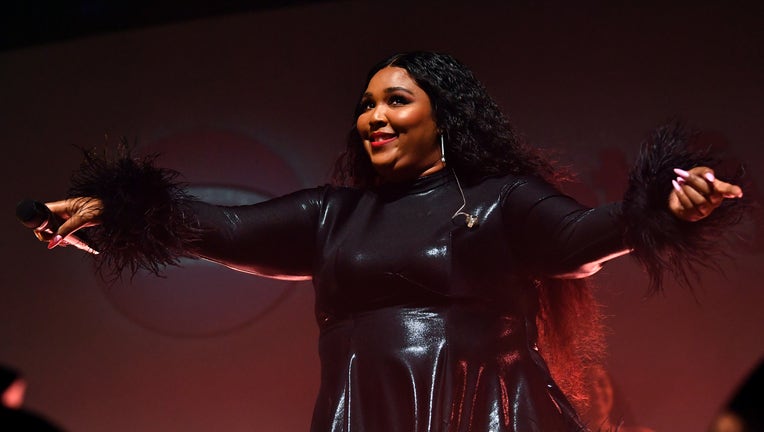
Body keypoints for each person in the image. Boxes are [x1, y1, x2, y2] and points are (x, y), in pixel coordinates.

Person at [26, 52, 744, 431]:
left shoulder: (502, 203)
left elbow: (584, 237)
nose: (374, 114)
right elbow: (216, 225)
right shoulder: (330, 216)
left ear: (445, 120)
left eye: (396, 100)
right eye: (366, 103)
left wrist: (670, 205)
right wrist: (110, 206)